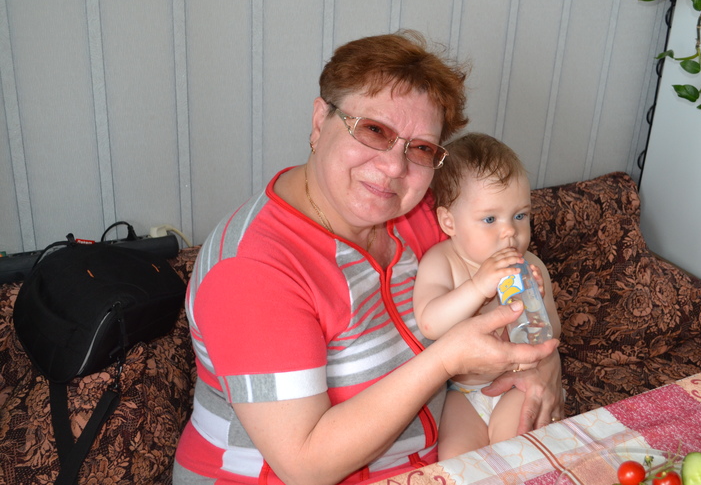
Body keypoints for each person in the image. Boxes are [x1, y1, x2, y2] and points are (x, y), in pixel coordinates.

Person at [173, 30, 564, 485]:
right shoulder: (253, 269)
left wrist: (542, 365)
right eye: (375, 130)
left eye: (420, 148)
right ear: (320, 122)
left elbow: (517, 277)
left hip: (432, 463)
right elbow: (306, 465)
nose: (394, 167)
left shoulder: (423, 215)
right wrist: (445, 360)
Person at [413, 133, 562, 460]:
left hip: (519, 382)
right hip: (461, 392)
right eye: (490, 219)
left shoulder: (532, 265)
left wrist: (536, 304)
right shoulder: (442, 262)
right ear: (449, 222)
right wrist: (479, 286)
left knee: (516, 452)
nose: (510, 231)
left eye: (520, 215)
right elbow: (430, 323)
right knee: (458, 460)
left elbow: (553, 333)